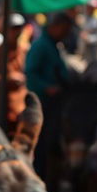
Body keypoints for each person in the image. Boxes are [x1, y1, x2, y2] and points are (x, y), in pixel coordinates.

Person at [25, 12, 73, 179]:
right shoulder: (41, 45)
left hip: (55, 103)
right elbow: (30, 73)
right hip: (44, 104)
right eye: (65, 29)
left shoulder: (54, 45)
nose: (67, 33)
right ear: (56, 26)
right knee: (43, 148)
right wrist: (47, 88)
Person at [80, 0, 97, 64]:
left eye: (90, 7)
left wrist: (89, 38)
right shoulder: (87, 16)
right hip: (86, 45)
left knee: (93, 62)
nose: (89, 9)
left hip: (94, 44)